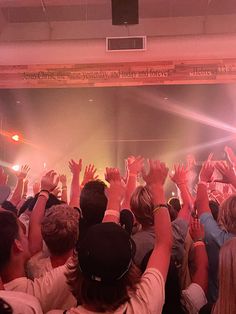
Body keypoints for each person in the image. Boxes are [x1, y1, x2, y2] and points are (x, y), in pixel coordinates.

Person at [47, 160, 173, 314]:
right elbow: (163, 245)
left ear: (76, 270)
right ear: (130, 273)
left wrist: (114, 197)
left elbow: (163, 245)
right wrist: (157, 188)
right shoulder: (144, 306)